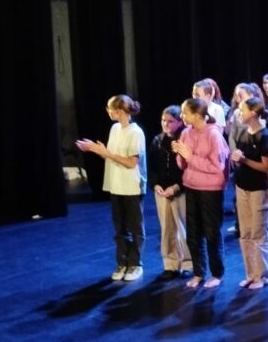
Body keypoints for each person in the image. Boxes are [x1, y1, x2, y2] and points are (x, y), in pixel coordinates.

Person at [76, 95, 148, 282]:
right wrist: (96, 150)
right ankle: (122, 262)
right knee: (120, 228)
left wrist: (106, 153)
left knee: (135, 227)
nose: (108, 111)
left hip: (131, 186)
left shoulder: (136, 132)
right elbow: (112, 157)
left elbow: (132, 163)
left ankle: (135, 263)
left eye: (110, 108)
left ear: (121, 111)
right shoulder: (115, 128)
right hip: (116, 185)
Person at [173, 98, 230, 289]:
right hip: (191, 186)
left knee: (212, 232)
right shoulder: (186, 132)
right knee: (193, 233)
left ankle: (217, 273)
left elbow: (217, 167)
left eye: (185, 112)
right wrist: (180, 156)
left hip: (211, 190)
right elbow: (183, 164)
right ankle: (199, 272)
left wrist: (191, 157)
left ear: (197, 115)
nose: (182, 116)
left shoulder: (213, 134)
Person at [231, 97, 268, 290]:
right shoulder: (243, 132)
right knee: (245, 232)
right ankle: (251, 273)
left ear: (253, 113)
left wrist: (244, 160)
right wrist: (236, 159)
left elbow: (266, 167)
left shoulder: (263, 136)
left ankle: (262, 275)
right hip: (242, 186)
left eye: (242, 110)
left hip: (258, 189)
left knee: (259, 232)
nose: (239, 112)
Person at [148, 105, 192, 279]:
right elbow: (152, 167)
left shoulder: (185, 139)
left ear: (179, 122)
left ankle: (188, 263)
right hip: (162, 191)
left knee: (184, 227)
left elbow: (188, 167)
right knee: (167, 227)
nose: (166, 124)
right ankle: (170, 263)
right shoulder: (157, 140)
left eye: (170, 121)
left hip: (180, 190)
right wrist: (155, 184)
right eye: (163, 121)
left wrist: (177, 186)